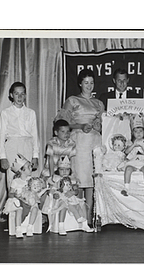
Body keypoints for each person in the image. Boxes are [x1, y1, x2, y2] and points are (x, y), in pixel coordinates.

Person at [54, 68, 104, 226]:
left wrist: (98, 125)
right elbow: (62, 123)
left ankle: (89, 218)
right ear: (80, 83)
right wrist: (80, 126)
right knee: (80, 180)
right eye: (86, 82)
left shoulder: (99, 103)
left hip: (95, 141)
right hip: (80, 141)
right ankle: (79, 217)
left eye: (91, 82)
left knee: (92, 180)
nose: (89, 85)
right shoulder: (73, 100)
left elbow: (105, 124)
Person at [0, 81, 39, 222]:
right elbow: (1, 135)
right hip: (12, 147)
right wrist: (2, 156)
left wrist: (35, 155)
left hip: (27, 145)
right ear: (11, 95)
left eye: (22, 94)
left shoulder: (31, 113)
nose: (19, 97)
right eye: (16, 93)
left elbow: (35, 135)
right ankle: (14, 218)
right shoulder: (5, 113)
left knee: (28, 180)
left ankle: (29, 218)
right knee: (13, 181)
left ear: (25, 95)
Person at [3, 154, 39, 238]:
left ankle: (30, 227)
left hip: (29, 200)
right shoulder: (16, 181)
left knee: (35, 208)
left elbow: (35, 190)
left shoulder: (31, 180)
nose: (31, 168)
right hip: (18, 200)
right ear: (21, 170)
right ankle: (18, 229)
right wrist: (16, 195)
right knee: (19, 209)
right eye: (28, 167)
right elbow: (10, 193)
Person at [121, 114, 144, 199]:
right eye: (136, 131)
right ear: (132, 133)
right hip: (133, 161)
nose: (138, 133)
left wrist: (142, 145)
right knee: (128, 169)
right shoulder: (130, 142)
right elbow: (126, 152)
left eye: (140, 131)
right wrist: (134, 145)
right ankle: (126, 188)